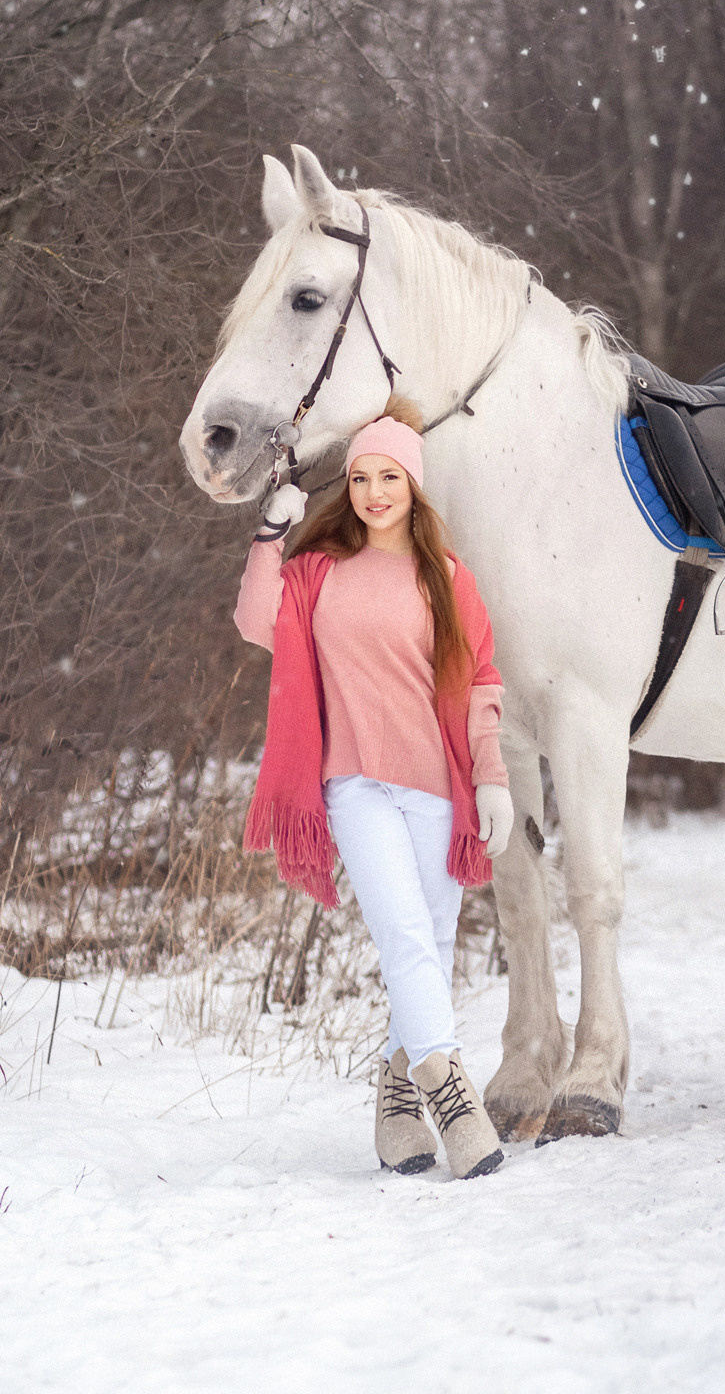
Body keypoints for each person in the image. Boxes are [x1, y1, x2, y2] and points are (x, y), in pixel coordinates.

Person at [235, 396, 514, 1180]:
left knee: (430, 943)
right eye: (361, 478)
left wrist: (491, 779)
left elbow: (481, 682)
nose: (374, 492)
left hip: (437, 788)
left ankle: (397, 1101)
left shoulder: (446, 579)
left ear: (413, 486)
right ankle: (452, 1096)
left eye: (390, 477)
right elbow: (256, 619)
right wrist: (271, 531)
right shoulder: (317, 572)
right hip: (353, 785)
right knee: (403, 934)